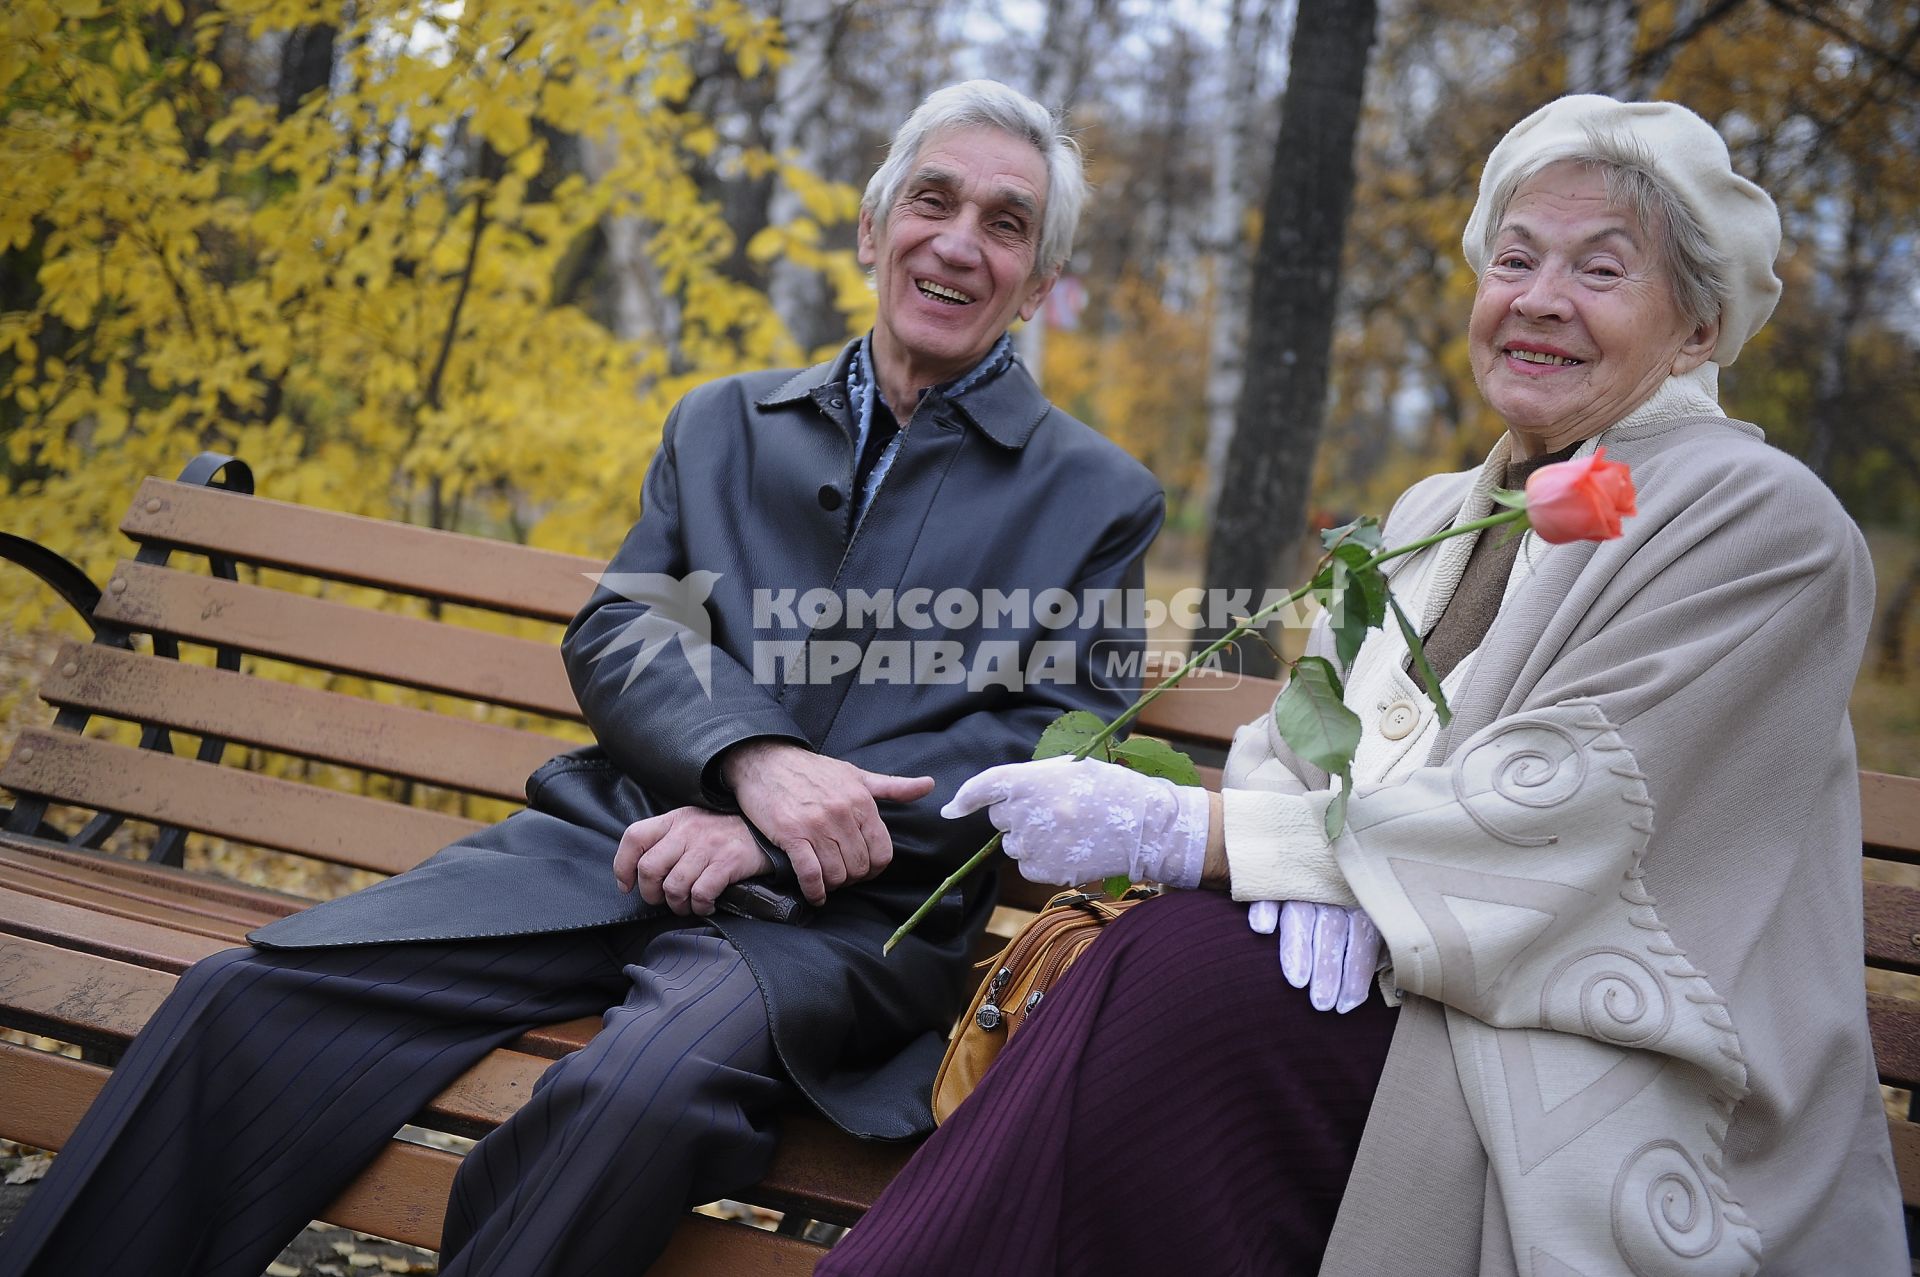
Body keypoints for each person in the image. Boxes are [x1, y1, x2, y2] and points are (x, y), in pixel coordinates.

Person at [0, 80, 1164, 1277]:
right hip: (613, 841)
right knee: (245, 995)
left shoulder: (1096, 498)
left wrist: (781, 837)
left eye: (1007, 223)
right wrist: (751, 766)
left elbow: (1051, 741)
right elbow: (624, 625)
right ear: (874, 231)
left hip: (845, 928)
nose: (960, 242)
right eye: (933, 199)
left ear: (1033, 285)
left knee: (637, 1096)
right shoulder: (723, 423)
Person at [815, 95, 1906, 1276]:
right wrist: (1306, 872)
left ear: (1697, 328)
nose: (1539, 298)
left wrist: (1221, 837)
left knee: (1177, 982)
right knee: (1173, 976)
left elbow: (1578, 811)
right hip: (1399, 1013)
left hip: (1573, 1066)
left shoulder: (1770, 525)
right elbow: (1301, 736)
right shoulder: (1437, 511)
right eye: (1515, 258)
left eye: (1603, 269)